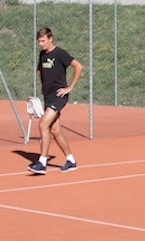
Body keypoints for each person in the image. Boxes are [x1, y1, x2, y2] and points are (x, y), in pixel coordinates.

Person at [28, 27, 83, 175]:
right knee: (55, 130)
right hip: (48, 96)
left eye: (43, 40)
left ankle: (42, 162)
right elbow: (40, 71)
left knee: (43, 124)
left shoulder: (60, 53)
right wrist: (42, 86)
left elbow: (78, 66)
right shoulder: (42, 55)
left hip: (59, 96)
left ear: (50, 38)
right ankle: (71, 161)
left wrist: (69, 87)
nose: (41, 44)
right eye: (39, 41)